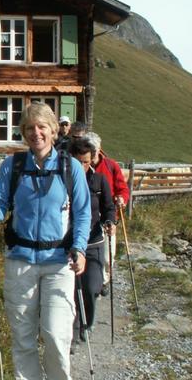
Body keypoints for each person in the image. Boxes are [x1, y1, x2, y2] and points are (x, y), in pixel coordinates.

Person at [0, 102, 91, 380]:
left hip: (59, 263)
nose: (35, 133)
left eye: (41, 127)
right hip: (20, 261)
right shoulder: (12, 165)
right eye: (29, 128)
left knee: (55, 334)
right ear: (23, 132)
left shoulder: (71, 167)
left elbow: (83, 212)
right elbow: (1, 203)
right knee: (23, 336)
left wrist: (80, 249)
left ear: (53, 131)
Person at [69, 137, 116, 342]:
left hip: (94, 242)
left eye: (86, 161)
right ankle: (73, 331)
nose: (82, 165)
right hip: (69, 244)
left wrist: (110, 221)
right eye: (78, 161)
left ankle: (87, 323)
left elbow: (109, 207)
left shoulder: (99, 181)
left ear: (92, 160)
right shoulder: (63, 181)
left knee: (91, 287)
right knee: (71, 290)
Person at [84, 132, 130, 296]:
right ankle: (90, 282)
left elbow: (123, 189)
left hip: (108, 217)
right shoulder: (80, 166)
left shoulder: (111, 166)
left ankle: (104, 281)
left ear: (99, 149)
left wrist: (121, 199)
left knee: (107, 256)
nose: (92, 155)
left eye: (95, 151)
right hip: (86, 217)